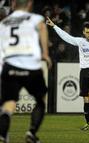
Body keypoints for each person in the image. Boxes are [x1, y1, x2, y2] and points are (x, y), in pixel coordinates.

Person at [0, 0, 52, 143]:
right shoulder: (35, 18)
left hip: (10, 66)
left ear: (13, 4)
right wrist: (46, 54)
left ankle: (3, 135)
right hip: (31, 67)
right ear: (29, 4)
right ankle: (31, 132)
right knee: (40, 100)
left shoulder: (4, 23)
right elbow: (42, 28)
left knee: (9, 104)